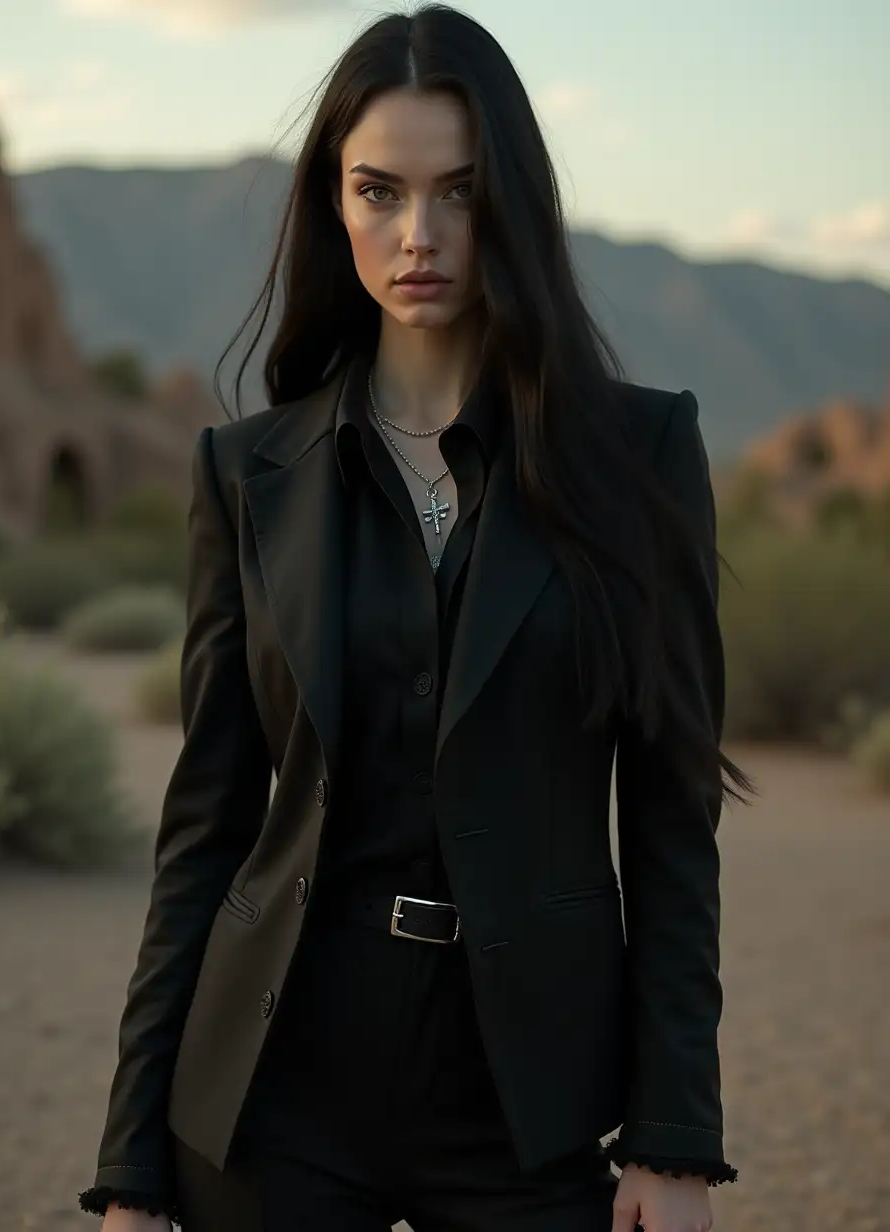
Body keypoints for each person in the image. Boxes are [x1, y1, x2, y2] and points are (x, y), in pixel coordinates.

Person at [78, 5, 755, 1230]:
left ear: (516, 203)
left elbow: (669, 816)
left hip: (527, 1100)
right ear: (331, 205)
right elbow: (210, 826)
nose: (418, 235)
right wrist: (131, 1163)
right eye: (378, 191)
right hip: (273, 1090)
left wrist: (674, 1134)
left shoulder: (638, 453)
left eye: (459, 190)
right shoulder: (248, 472)